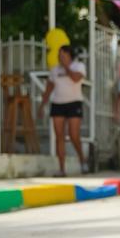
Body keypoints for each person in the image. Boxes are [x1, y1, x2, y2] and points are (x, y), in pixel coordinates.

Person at [38, 45, 87, 176]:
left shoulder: (78, 66)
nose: (60, 57)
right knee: (59, 136)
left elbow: (76, 79)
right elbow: (49, 88)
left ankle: (82, 159)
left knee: (73, 135)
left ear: (69, 55)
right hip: (58, 103)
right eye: (59, 55)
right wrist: (42, 105)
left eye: (63, 55)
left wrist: (67, 67)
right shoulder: (54, 70)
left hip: (74, 103)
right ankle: (62, 168)